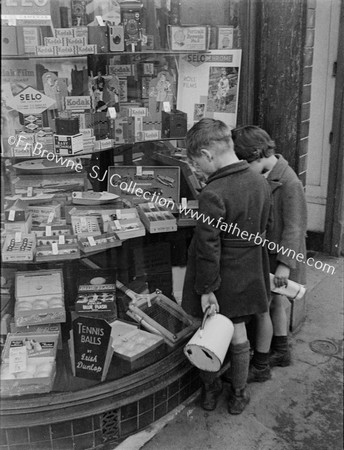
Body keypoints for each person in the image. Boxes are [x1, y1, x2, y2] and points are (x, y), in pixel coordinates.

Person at [181, 119, 272, 414]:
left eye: (196, 162)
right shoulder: (260, 181)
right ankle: (239, 394)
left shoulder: (212, 193)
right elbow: (268, 226)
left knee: (208, 332)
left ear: (208, 155)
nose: (196, 169)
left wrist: (207, 288)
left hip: (218, 275)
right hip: (250, 269)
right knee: (239, 333)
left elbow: (209, 247)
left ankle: (210, 390)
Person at [232, 125, 307, 380]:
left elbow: (295, 228)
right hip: (270, 253)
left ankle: (265, 360)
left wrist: (285, 265)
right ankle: (281, 350)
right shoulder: (267, 173)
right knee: (276, 302)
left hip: (282, 255)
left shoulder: (289, 182)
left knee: (274, 302)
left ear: (256, 156)